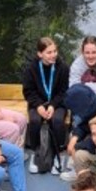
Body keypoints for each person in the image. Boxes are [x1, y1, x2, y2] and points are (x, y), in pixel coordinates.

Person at [22, 37, 70, 173]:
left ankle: (59, 153)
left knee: (58, 120)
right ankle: (34, 152)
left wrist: (53, 105)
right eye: (49, 52)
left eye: (55, 51)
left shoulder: (63, 68)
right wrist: (38, 105)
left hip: (58, 102)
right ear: (40, 54)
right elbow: (28, 91)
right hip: (37, 103)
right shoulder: (31, 68)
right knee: (35, 121)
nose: (53, 55)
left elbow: (64, 91)